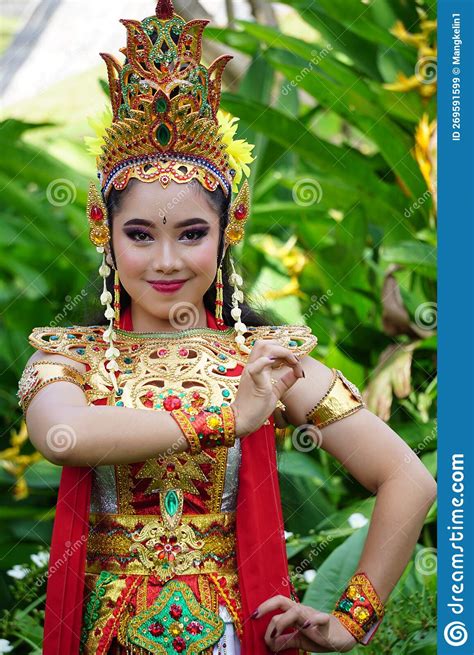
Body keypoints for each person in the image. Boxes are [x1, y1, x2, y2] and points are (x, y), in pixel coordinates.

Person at [17, 2, 437, 654]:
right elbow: (64, 435)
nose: (164, 260)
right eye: (139, 234)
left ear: (228, 228)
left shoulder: (264, 361)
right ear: (104, 230)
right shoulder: (72, 358)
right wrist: (224, 419)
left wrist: (350, 618)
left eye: (190, 233)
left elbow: (409, 478)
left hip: (229, 637)